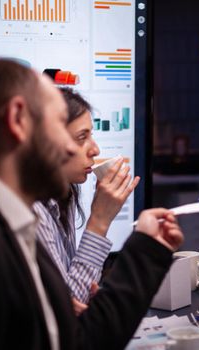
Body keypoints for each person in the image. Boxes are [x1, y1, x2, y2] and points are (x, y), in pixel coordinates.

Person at [0, 59, 183, 349]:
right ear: (18, 121)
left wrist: (146, 250)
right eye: (58, 126)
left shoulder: (17, 222)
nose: (70, 148)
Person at [33, 88, 140, 310]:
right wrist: (100, 221)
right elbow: (66, 308)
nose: (95, 149)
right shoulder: (33, 212)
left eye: (91, 135)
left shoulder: (65, 194)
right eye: (82, 137)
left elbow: (70, 295)